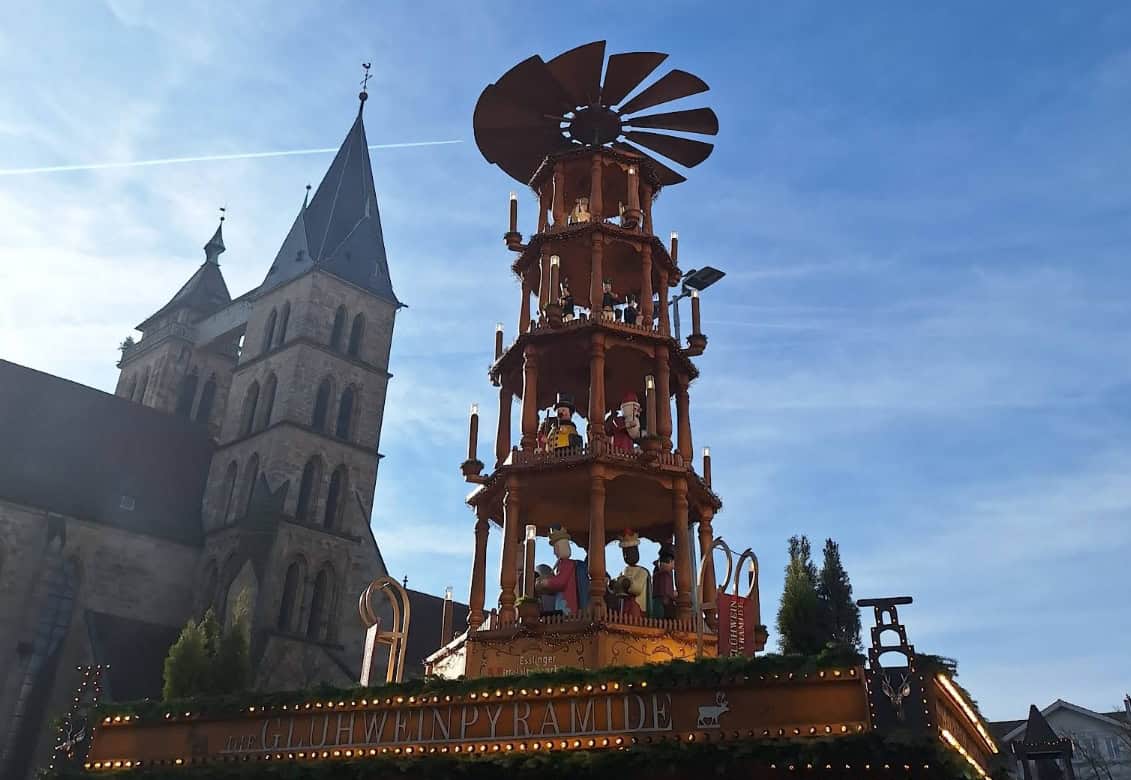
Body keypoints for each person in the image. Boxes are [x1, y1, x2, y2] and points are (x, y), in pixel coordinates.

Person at [535, 526, 582, 615]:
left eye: (555, 548)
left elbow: (561, 582)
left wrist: (546, 582)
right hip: (560, 601)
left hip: (567, 604)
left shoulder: (567, 564)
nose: (554, 552)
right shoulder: (560, 564)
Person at [617, 529, 651, 616]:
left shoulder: (642, 572)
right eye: (624, 553)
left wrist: (627, 583)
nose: (626, 555)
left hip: (636, 605)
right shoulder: (625, 570)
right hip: (625, 604)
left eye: (629, 552)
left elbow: (637, 588)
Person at [651, 543, 677, 619]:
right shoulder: (661, 572)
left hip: (666, 599)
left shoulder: (667, 573)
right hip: (660, 598)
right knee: (659, 614)